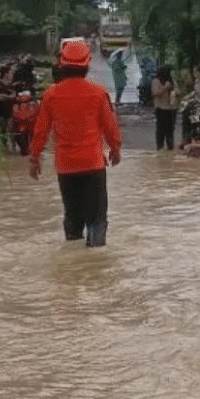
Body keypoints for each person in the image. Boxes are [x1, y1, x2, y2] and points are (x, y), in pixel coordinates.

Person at [29, 39, 123, 247]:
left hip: (66, 167)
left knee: (72, 218)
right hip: (93, 165)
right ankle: (94, 262)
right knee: (97, 220)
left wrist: (34, 159)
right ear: (87, 65)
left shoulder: (51, 95)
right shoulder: (98, 93)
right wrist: (115, 150)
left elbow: (40, 131)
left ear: (62, 64)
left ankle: (73, 263)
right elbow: (110, 127)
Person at [151, 66, 178, 150]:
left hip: (171, 108)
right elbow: (155, 93)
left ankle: (170, 147)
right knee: (161, 130)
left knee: (170, 130)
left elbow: (177, 91)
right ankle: (160, 147)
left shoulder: (171, 81)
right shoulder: (156, 81)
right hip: (161, 108)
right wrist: (165, 88)